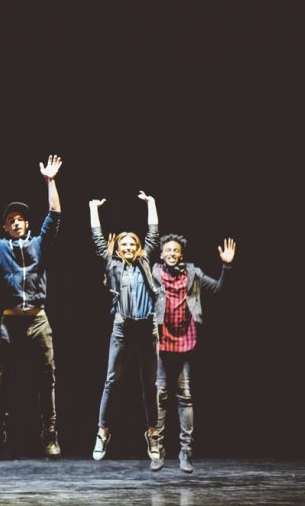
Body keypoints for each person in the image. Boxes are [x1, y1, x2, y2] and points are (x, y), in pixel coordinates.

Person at [0, 155, 64, 459]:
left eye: (20, 218)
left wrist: (50, 181)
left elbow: (55, 216)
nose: (15, 221)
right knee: (3, 380)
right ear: (5, 227)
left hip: (38, 321)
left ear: (26, 224)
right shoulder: (0, 246)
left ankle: (50, 434)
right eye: (10, 219)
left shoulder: (38, 244)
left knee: (47, 377)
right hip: (10, 322)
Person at [89, 191, 164, 469]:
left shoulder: (144, 261)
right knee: (112, 381)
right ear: (119, 248)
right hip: (121, 327)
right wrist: (93, 209)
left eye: (133, 242)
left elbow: (154, 234)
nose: (130, 245)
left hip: (146, 329)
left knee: (149, 385)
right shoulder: (113, 263)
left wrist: (151, 203)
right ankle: (102, 432)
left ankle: (153, 434)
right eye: (125, 243)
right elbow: (98, 241)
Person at [152, 234, 235, 472]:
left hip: (184, 342)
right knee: (160, 397)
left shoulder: (193, 273)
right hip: (160, 343)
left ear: (181, 254)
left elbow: (218, 289)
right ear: (161, 254)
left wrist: (226, 266)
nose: (171, 253)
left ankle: (186, 452)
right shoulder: (153, 273)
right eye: (167, 249)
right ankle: (157, 451)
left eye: (175, 250)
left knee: (184, 397)